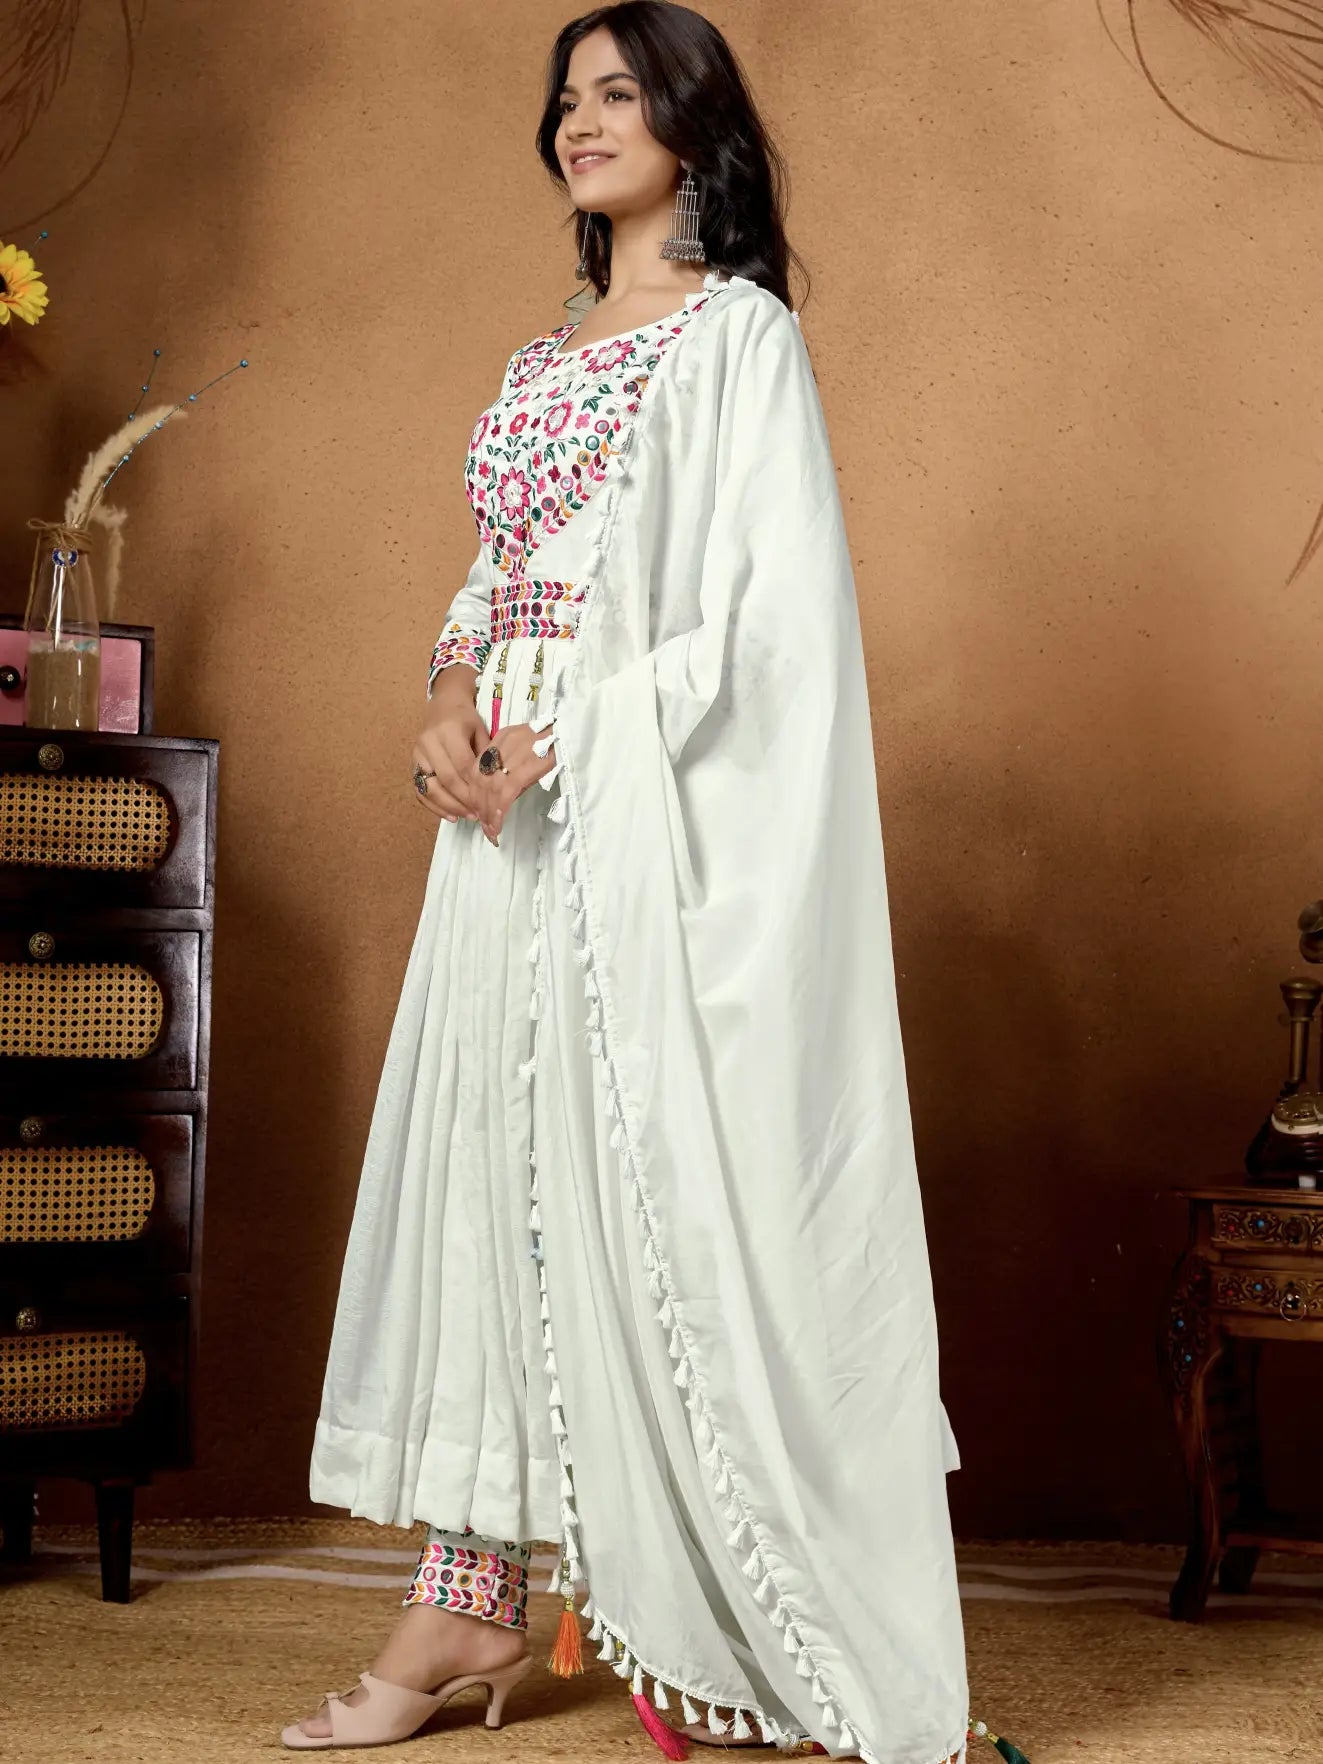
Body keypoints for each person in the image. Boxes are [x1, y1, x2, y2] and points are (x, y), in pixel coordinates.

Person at [284, 5, 1029, 1762]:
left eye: (619, 94)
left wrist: (587, 731)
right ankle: (466, 1604)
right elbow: (501, 571)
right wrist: (450, 705)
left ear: (695, 124)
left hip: (637, 827)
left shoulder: (737, 339)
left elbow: (774, 631)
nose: (580, 123)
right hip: (507, 819)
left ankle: (682, 1589)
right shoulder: (554, 349)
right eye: (566, 101)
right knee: (492, 1186)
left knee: (645, 1202)